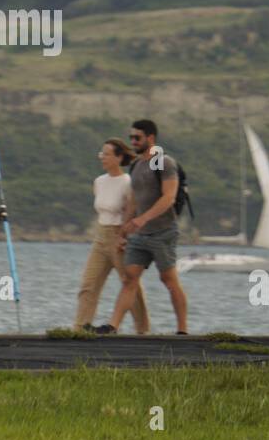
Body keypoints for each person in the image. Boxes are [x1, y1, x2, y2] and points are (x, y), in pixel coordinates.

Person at [96, 118, 188, 335]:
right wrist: (124, 231)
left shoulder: (163, 163)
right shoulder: (137, 165)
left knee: (168, 279)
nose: (133, 142)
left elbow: (169, 198)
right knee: (129, 278)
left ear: (151, 138)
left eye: (137, 137)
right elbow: (134, 201)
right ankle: (112, 326)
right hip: (140, 234)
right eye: (131, 138)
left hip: (163, 232)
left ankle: (183, 330)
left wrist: (143, 219)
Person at [75, 139, 150, 334]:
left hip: (121, 237)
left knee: (130, 284)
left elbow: (133, 211)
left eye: (107, 154)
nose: (102, 157)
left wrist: (125, 236)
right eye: (102, 154)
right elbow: (102, 211)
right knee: (88, 285)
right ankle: (79, 329)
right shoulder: (99, 182)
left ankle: (143, 330)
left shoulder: (128, 182)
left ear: (119, 157)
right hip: (101, 236)